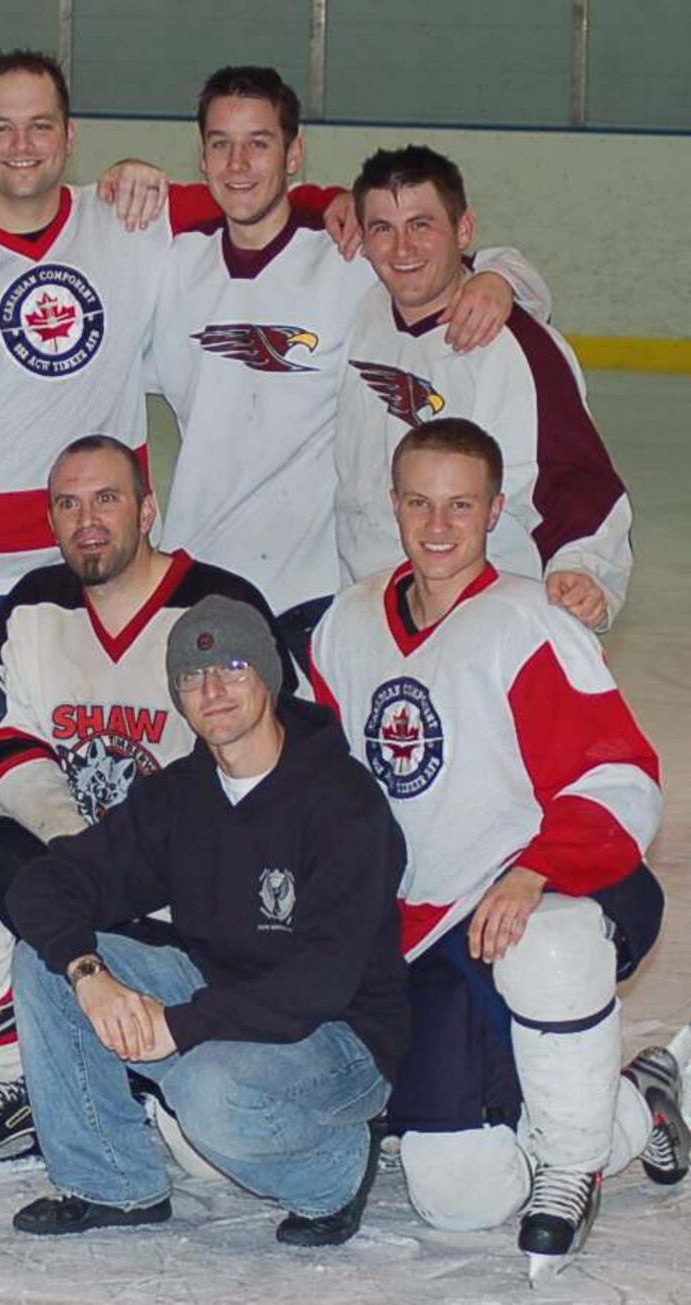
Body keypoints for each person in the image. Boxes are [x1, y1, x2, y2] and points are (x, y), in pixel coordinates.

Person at [0, 49, 247, 1113]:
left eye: (39, 127)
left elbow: (267, 197)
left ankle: (98, 1023)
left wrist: (480, 270)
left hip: (87, 593)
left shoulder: (128, 232)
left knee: (97, 815)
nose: (19, 146)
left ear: (67, 136)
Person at [309, 419, 685, 1279]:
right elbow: (324, 784)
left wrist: (533, 868)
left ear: (494, 511)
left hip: (551, 886)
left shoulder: (530, 622)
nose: (438, 527)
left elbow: (624, 777)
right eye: (419, 503)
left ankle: (573, 1160)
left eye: (461, 506)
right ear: (393, 504)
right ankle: (639, 1099)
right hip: (424, 929)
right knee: (460, 1195)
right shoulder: (349, 621)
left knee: (548, 941)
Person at [0, 435, 287, 1168]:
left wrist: (137, 854)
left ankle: (142, 1073)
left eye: (107, 498)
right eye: (68, 504)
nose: (88, 521)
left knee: (210, 1149)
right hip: (73, 851)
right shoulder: (34, 606)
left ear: (147, 508)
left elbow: (264, 764)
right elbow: (1, 742)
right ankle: (30, 1084)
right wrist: (75, 839)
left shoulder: (221, 607)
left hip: (194, 885)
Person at [7, 594, 408, 1247]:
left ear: (270, 678)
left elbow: (324, 980)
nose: (211, 688)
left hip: (342, 1037)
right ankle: (111, 1182)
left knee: (209, 1090)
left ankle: (334, 1173)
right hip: (220, 1001)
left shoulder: (342, 801)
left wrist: (179, 1026)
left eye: (233, 666)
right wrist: (89, 976)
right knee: (45, 958)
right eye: (192, 677)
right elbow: (46, 884)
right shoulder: (179, 796)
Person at [150, 67, 547, 665]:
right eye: (220, 144)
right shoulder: (171, 264)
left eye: (259, 143)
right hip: (195, 573)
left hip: (314, 591)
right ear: (201, 157)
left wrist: (499, 276)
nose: (238, 164)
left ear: (294, 153)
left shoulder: (348, 256)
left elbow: (445, 261)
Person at [333, 146, 632, 632]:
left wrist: (583, 569)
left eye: (422, 225)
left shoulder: (515, 347)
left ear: (464, 230)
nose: (402, 249)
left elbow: (577, 479)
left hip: (485, 628)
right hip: (376, 620)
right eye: (383, 229)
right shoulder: (363, 311)